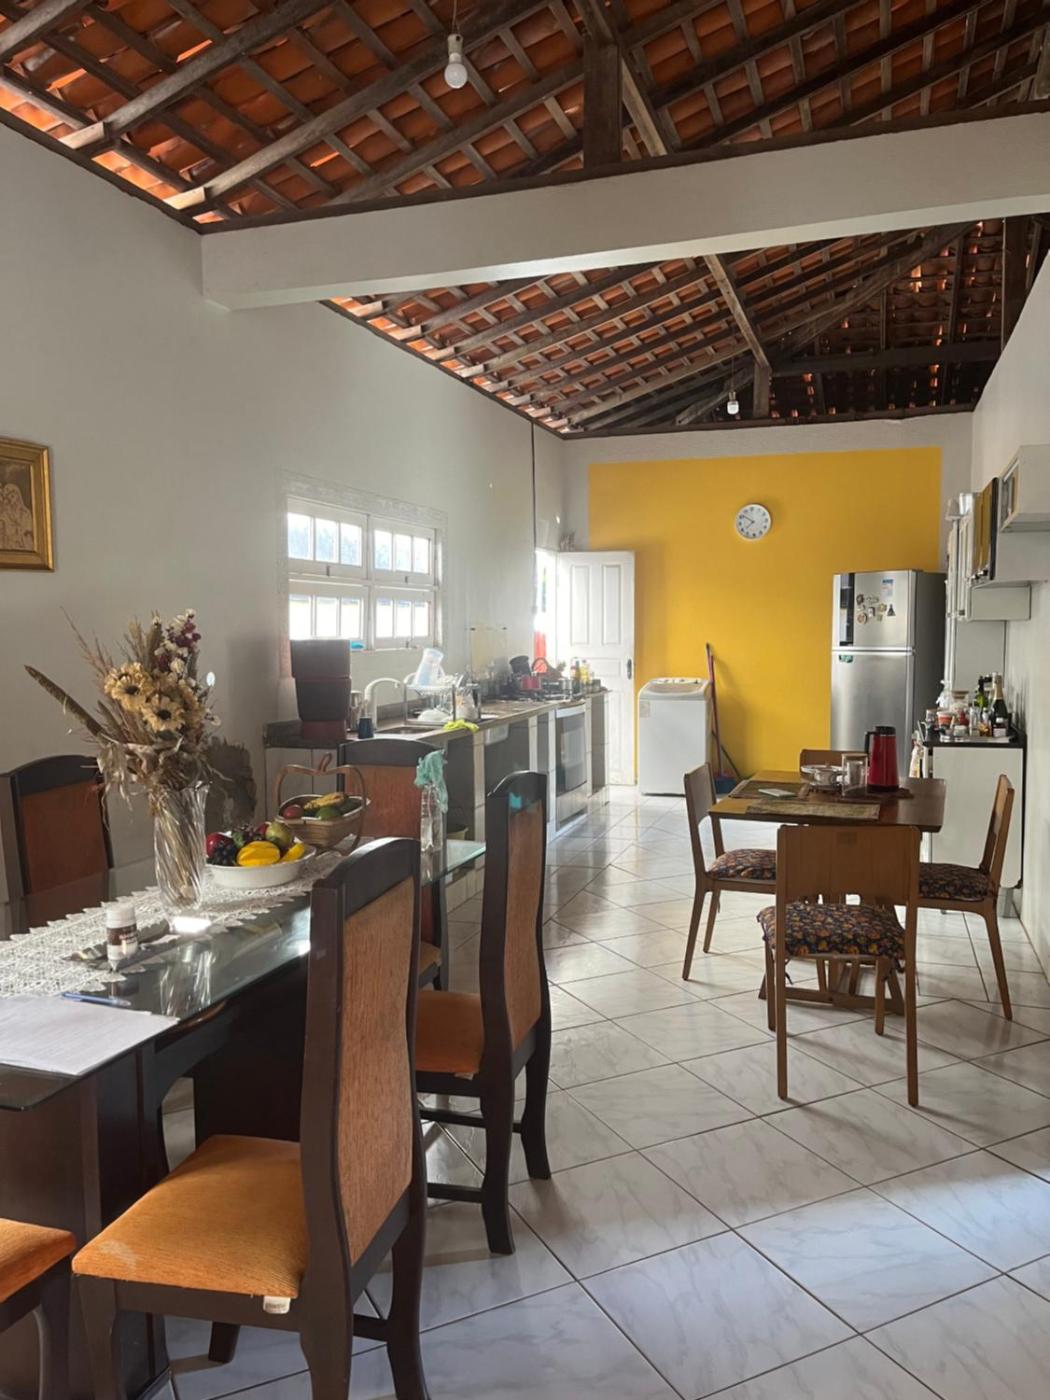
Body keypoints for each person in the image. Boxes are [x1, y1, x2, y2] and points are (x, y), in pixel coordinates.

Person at [0, 480, 33, 551]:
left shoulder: (26, 513)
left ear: (18, 496)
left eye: (12, 496)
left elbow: (28, 532)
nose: (11, 500)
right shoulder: (4, 514)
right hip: (9, 546)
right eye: (8, 498)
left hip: (25, 545)